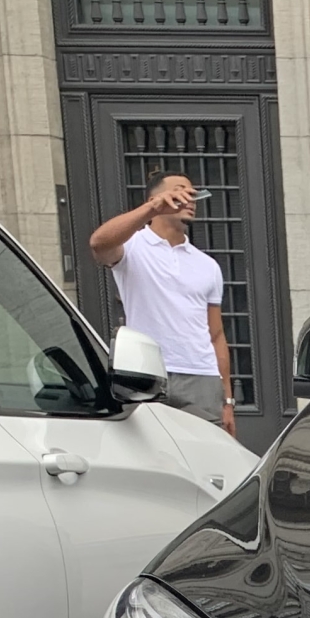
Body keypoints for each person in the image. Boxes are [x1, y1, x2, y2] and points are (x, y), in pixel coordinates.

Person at [88, 173, 236, 435]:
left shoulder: (207, 265)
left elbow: (216, 334)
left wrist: (227, 401)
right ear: (156, 199)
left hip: (201, 376)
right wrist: (151, 209)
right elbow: (99, 243)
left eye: (193, 193)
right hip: (148, 373)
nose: (190, 198)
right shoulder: (132, 247)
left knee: (206, 463)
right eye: (180, 191)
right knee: (152, 459)